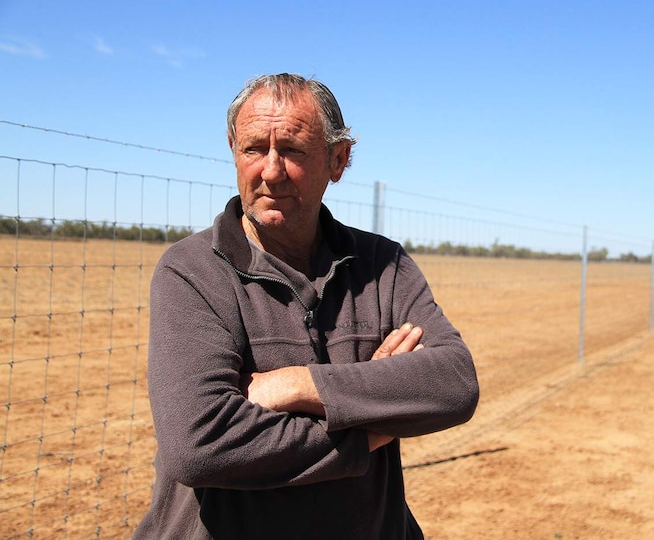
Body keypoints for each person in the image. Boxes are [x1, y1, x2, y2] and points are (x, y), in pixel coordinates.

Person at [134, 74, 480, 539]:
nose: (271, 171)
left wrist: (297, 384)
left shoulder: (382, 265)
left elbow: (454, 383)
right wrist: (370, 428)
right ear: (233, 149)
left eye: (293, 151)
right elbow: (198, 444)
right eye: (254, 148)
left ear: (339, 160)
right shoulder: (193, 271)